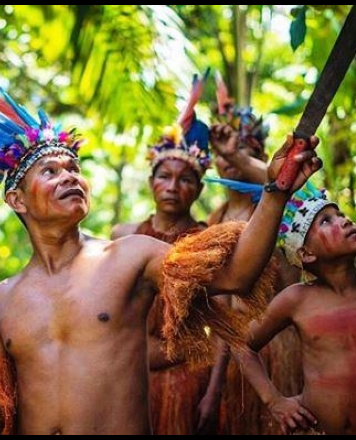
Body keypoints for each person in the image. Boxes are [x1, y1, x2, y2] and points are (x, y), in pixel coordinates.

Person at [0, 79, 321, 435]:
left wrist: (276, 190)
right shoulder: (3, 300)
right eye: (51, 171)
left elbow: (236, 275)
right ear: (16, 200)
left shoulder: (129, 256)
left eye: (74, 168)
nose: (69, 176)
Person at [111, 72, 224, 435]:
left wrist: (214, 390)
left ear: (199, 189)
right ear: (150, 182)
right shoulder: (124, 236)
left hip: (189, 374)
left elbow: (223, 322)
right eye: (164, 176)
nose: (173, 187)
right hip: (135, 374)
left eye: (186, 179)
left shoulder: (208, 239)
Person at [234, 185, 356, 435]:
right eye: (327, 221)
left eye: (340, 215)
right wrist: (274, 401)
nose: (344, 220)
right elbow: (242, 345)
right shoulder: (296, 300)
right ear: (306, 254)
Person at [208, 73, 304, 435]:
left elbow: (287, 185)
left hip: (279, 344)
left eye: (246, 149)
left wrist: (238, 154)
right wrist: (214, 383)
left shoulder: (282, 209)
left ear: (261, 157)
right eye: (225, 153)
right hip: (234, 351)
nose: (231, 158)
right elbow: (219, 309)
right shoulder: (213, 220)